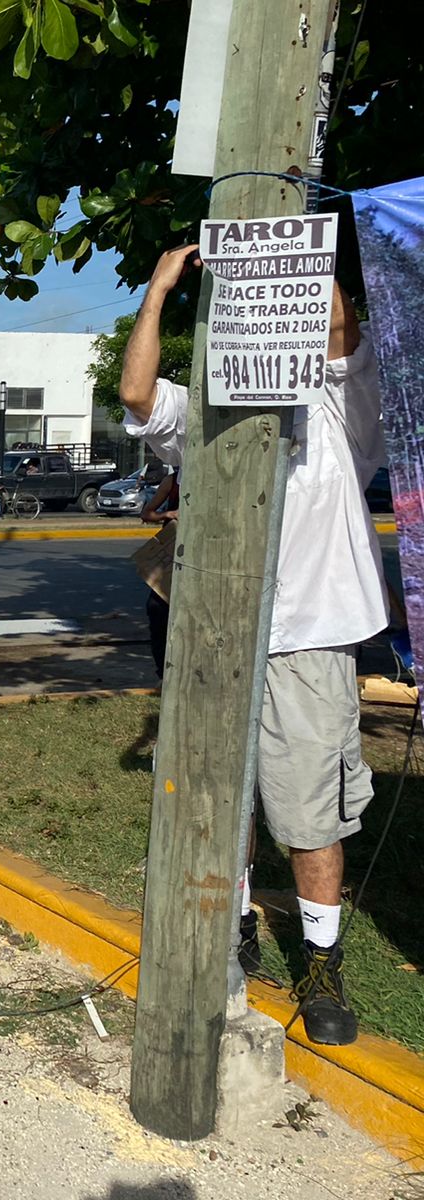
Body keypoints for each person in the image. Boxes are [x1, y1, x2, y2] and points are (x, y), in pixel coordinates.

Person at [119, 243, 384, 1046]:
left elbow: (337, 327)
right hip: (218, 636)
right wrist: (162, 287)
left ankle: (321, 964)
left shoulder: (340, 404)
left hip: (311, 639)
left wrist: (287, 253)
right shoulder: (210, 415)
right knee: (219, 797)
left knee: (308, 814)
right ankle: (234, 926)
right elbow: (136, 392)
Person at [138, 462, 177, 678]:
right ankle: (163, 673)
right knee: (157, 608)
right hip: (170, 554)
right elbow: (148, 514)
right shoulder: (171, 481)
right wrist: (169, 514)